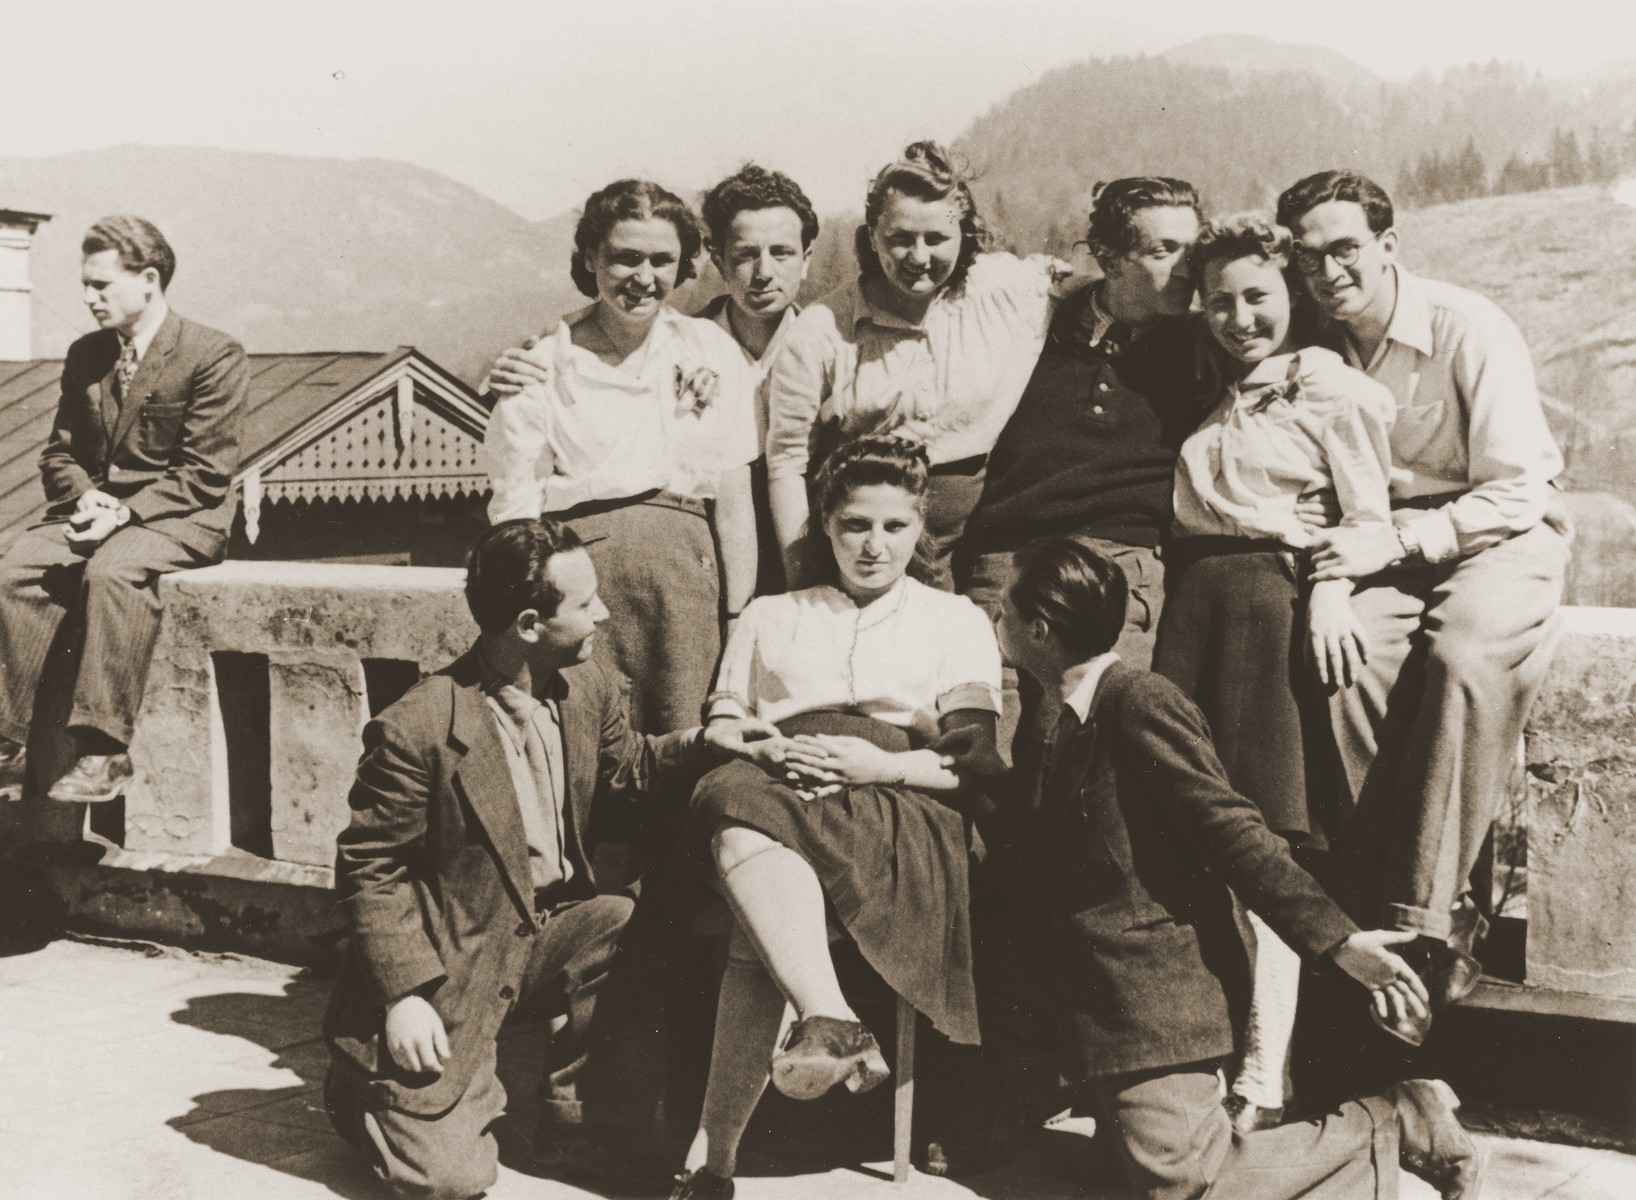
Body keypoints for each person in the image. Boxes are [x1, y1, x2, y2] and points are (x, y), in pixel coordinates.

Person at [981, 536, 1482, 1200]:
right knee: (1128, 1179)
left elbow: (1235, 830)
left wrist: (1338, 942)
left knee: (1187, 1184)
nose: (996, 624)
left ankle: (1396, 1120)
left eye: (1002, 613)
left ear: (1037, 629)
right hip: (1099, 1001)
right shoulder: (1056, 718)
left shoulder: (1138, 702)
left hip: (1158, 1000)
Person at [323, 518, 770, 1200]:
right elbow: (368, 868)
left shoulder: (583, 689)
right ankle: (363, 1093)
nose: (604, 613)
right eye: (586, 603)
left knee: (622, 918)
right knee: (450, 1181)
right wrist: (403, 996)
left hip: (544, 934)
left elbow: (630, 773)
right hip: (452, 963)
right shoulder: (416, 728)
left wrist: (712, 742)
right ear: (530, 624)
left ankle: (574, 1127)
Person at [1276, 170, 1570, 1044]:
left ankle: (1428, 926)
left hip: (1499, 532)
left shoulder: (1465, 326)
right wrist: (1333, 578)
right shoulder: (1312, 344)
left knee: (1464, 656)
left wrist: (1401, 543)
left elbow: (1518, 486)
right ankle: (1378, 904)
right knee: (1344, 661)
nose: (1328, 272)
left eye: (1345, 249)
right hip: (1383, 546)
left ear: (1388, 246)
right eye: (1310, 256)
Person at [670, 436, 1004, 1199]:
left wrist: (875, 764)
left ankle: (715, 1161)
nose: (873, 545)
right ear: (825, 523)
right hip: (778, 784)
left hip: (902, 803)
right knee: (729, 794)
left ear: (921, 528)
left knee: (753, 909)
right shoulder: (768, 614)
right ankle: (824, 1017)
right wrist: (764, 747)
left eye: (894, 526)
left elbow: (969, 763)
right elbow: (725, 722)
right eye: (855, 524)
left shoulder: (955, 620)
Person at [1150, 213, 1398, 1132]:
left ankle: (1265, 1076)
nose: (1238, 316)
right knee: (1188, 833)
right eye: (1219, 301)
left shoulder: (1326, 386)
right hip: (1194, 612)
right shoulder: (1219, 393)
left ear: (1291, 294)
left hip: (1263, 607)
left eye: (1257, 296)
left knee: (1261, 843)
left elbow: (1371, 517)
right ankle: (1211, 1059)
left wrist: (1329, 590)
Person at [481, 179, 760, 741]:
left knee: (684, 747)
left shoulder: (709, 351)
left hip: (688, 592)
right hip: (583, 591)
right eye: (625, 258)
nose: (644, 277)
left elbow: (732, 503)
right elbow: (516, 512)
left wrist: (737, 618)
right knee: (588, 744)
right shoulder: (542, 367)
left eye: (662, 260)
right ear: (591, 257)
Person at [0, 216, 246, 805]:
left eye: (102, 285)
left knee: (113, 573)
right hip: (97, 513)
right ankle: (7, 742)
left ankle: (105, 750)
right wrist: (84, 495)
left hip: (184, 515)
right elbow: (59, 452)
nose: (88, 298)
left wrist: (124, 515)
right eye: (86, 284)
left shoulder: (213, 354)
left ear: (150, 280)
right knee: (15, 567)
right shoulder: (87, 354)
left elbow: (205, 472)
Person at [764, 141, 1069, 592]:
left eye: (937, 239)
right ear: (872, 237)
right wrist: (802, 579)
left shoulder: (1005, 289)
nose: (919, 257)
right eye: (901, 239)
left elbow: (1094, 288)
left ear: (964, 235)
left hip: (983, 536)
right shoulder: (821, 330)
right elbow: (787, 462)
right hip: (873, 543)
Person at [958, 176, 1207, 669]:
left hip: (1115, 564)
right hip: (1009, 558)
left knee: (1090, 717)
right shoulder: (1036, 321)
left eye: (1192, 251)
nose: (1186, 270)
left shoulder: (1204, 347)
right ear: (1109, 258)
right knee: (985, 718)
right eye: (1164, 251)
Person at [697, 163, 820, 594]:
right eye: (747, 254)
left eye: (781, 253)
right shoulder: (680, 348)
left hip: (811, 571)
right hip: (708, 575)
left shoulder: (834, 350)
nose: (763, 272)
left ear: (806, 261)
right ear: (718, 260)